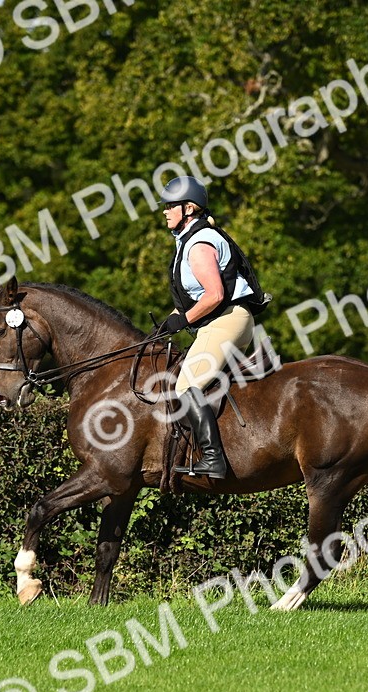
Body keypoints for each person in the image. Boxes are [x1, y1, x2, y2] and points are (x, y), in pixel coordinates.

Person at [155, 176, 257, 479]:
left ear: (189, 208)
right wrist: (167, 323)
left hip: (226, 321)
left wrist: (182, 320)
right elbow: (193, 298)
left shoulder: (199, 244)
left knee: (186, 387)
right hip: (226, 321)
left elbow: (214, 295)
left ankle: (213, 459)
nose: (164, 211)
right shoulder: (189, 239)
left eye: (170, 206)